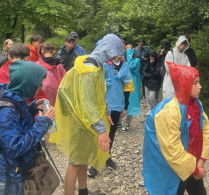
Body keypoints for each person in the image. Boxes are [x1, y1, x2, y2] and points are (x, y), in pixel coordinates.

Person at [49, 34, 122, 195]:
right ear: (109, 49)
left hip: (86, 120)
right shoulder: (89, 68)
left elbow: (100, 92)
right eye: (116, 51)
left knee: (83, 159)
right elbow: (88, 102)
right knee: (75, 162)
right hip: (80, 121)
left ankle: (83, 191)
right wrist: (101, 130)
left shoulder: (97, 64)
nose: (117, 56)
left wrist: (107, 111)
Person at [143, 62, 209, 195]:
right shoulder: (171, 111)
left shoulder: (196, 104)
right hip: (175, 169)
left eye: (199, 82)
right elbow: (171, 148)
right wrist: (195, 170)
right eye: (195, 83)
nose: (200, 87)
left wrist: (202, 160)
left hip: (192, 163)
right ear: (185, 84)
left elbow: (205, 131)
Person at [0, 60, 56, 195]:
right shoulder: (7, 110)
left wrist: (32, 107)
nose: (41, 88)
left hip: (19, 170)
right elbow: (14, 148)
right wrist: (43, 123)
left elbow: (17, 124)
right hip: (12, 178)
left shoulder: (15, 96)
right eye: (39, 84)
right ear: (27, 84)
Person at [162, 36, 191, 100]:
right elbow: (168, 66)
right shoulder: (171, 53)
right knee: (170, 97)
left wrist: (179, 70)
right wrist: (179, 69)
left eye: (184, 45)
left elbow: (188, 68)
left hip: (181, 81)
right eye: (181, 44)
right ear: (178, 43)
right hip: (170, 80)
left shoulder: (185, 56)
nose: (183, 46)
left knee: (180, 99)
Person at [122, 45, 141, 132]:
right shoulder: (123, 59)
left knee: (130, 103)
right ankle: (118, 121)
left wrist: (129, 51)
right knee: (121, 101)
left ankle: (127, 123)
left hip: (133, 83)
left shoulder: (136, 60)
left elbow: (130, 66)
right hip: (123, 82)